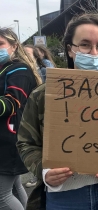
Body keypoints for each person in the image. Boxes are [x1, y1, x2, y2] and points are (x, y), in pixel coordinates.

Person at [17, 14, 98, 210]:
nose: (94, 53)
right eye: (85, 45)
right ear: (70, 50)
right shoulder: (44, 96)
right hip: (65, 195)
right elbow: (26, 143)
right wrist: (44, 171)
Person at [0, 28, 41, 210]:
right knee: (14, 188)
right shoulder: (7, 68)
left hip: (10, 139)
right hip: (8, 138)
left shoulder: (20, 70)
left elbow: (11, 103)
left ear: (14, 46)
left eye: (1, 44)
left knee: (2, 196)